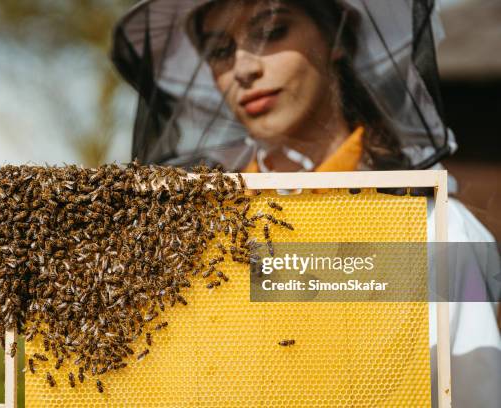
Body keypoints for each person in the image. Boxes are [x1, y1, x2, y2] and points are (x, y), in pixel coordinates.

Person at [111, 0, 500, 406]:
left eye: (272, 31)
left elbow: (474, 394)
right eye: (220, 51)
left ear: (335, 35)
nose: (244, 69)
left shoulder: (437, 230)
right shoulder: (188, 236)